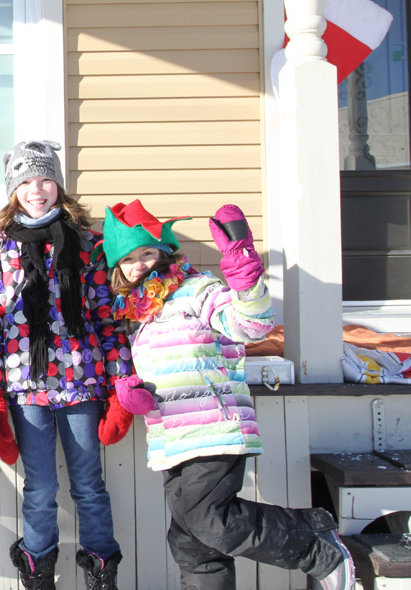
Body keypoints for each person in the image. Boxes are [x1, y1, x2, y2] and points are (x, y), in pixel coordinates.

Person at [99, 200, 355, 590]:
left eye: (147, 253)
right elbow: (171, 369)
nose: (140, 266)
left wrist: (242, 266)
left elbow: (251, 325)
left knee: (209, 520)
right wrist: (140, 396)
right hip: (172, 437)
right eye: (129, 259)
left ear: (165, 252)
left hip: (214, 429)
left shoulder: (196, 290)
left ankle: (314, 544)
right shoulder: (139, 313)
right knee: (191, 540)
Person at [0, 140, 131, 590]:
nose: (37, 191)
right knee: (40, 489)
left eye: (45, 180)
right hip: (25, 386)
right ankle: (38, 569)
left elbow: (108, 316)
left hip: (83, 382)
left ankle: (100, 570)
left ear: (58, 183)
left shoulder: (86, 243)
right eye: (26, 182)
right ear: (13, 190)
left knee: (89, 486)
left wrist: (120, 385)